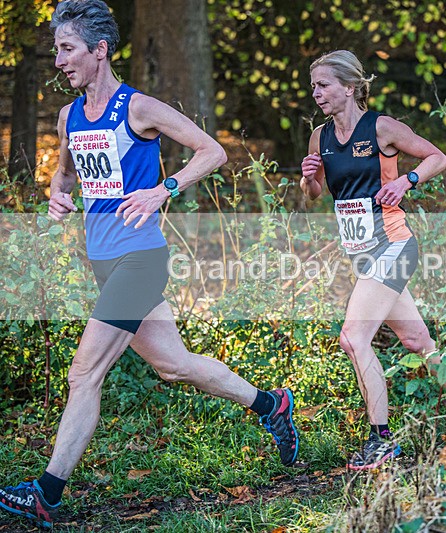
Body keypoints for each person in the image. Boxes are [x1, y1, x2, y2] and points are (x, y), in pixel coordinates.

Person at [0, 1, 298, 528]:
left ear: (100, 51)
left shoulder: (137, 108)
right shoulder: (71, 117)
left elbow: (212, 152)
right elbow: (65, 176)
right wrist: (56, 195)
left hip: (142, 260)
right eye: (56, 52)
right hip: (105, 263)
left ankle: (46, 493)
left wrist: (164, 189)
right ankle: (271, 404)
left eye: (67, 50)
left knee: (84, 372)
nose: (59, 61)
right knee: (174, 364)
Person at [299, 50, 446, 470]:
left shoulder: (381, 127)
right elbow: (313, 195)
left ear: (350, 88)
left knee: (353, 337)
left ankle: (381, 439)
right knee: (417, 342)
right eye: (313, 86)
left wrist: (407, 180)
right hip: (362, 254)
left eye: (323, 85)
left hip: (395, 245)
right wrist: (309, 177)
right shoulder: (320, 137)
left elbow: (438, 157)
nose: (316, 93)